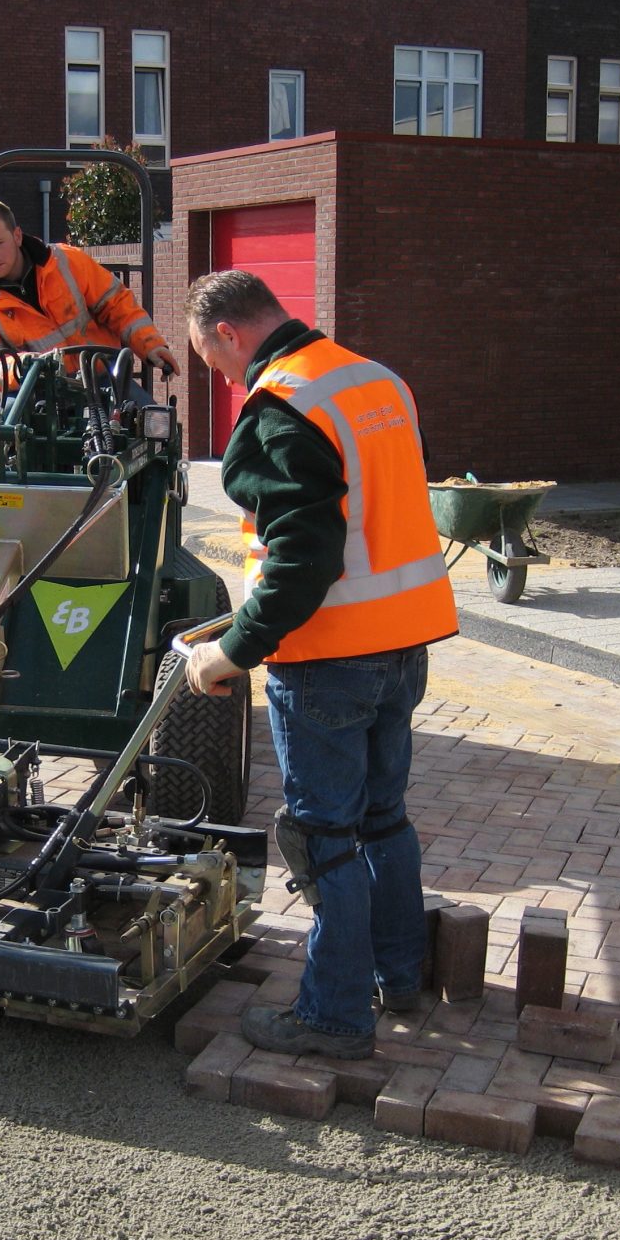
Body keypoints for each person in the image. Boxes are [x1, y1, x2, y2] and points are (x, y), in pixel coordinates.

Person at [181, 269, 458, 1061]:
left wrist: (232, 651)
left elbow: (304, 558)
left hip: (328, 657)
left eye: (213, 362)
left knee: (322, 834)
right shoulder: (376, 380)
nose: (223, 380)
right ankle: (399, 976)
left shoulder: (282, 406)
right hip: (402, 644)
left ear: (229, 332)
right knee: (384, 818)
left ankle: (334, 1015)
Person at [0, 200, 178, 392]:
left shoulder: (66, 261)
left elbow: (117, 303)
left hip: (101, 378)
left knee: (151, 421)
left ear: (17, 236)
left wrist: (151, 345)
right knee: (11, 427)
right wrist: (22, 367)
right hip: (34, 393)